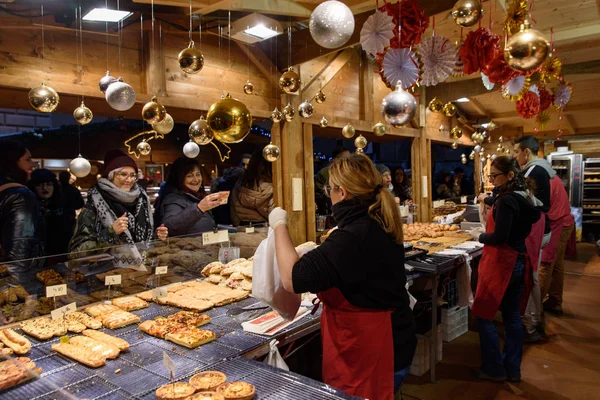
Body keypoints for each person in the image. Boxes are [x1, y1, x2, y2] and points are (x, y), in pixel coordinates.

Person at [268, 154, 416, 399]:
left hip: (371, 349)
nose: (329, 194)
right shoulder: (375, 220)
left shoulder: (353, 235)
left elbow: (292, 279)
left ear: (342, 192)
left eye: (330, 189)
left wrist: (279, 225)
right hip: (389, 338)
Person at [471, 156, 541, 383]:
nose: (491, 180)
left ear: (509, 176)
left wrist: (478, 236)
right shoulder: (524, 197)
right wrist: (491, 201)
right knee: (512, 317)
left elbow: (499, 236)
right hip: (519, 260)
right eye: (489, 176)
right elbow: (509, 209)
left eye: (494, 176)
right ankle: (513, 369)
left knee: (484, 314)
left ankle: (493, 369)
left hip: (501, 263)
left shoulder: (506, 201)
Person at [69, 150, 168, 266]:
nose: (129, 180)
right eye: (123, 174)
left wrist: (157, 236)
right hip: (106, 274)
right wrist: (111, 232)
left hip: (141, 272)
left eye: (132, 175)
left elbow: (142, 241)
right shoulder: (94, 204)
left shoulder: (142, 200)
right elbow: (76, 252)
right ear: (111, 176)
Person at [513, 136, 552, 343]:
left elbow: (526, 201)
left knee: (529, 277)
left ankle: (530, 325)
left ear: (526, 153)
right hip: (540, 228)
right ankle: (535, 321)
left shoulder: (534, 171)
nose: (514, 155)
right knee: (533, 277)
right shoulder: (541, 169)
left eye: (516, 151)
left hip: (535, 229)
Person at [0, 139, 44, 286]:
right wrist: (18, 298)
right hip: (13, 285)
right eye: (27, 159)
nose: (32, 164)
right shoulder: (20, 196)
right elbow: (19, 252)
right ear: (12, 162)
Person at [540, 166, 576, 316]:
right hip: (565, 222)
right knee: (557, 264)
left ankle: (534, 312)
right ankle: (554, 302)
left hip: (557, 225)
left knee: (545, 264)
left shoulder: (541, 178)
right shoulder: (550, 174)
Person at [155, 157, 223, 237]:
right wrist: (199, 208)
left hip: (203, 247)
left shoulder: (199, 196)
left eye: (198, 174)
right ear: (179, 178)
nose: (196, 179)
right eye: (189, 176)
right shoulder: (172, 199)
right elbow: (169, 227)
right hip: (186, 248)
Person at [27, 169, 74, 259]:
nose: (44, 188)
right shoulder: (28, 209)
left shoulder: (62, 207)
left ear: (54, 186)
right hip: (34, 259)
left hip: (59, 257)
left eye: (48, 184)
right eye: (39, 185)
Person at [230, 150, 274, 226]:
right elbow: (273, 216)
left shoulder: (240, 183)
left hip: (243, 228)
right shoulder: (271, 187)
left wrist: (238, 226)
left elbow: (233, 210)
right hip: (264, 230)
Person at [315, 147, 351, 215]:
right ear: (335, 160)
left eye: (349, 159)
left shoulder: (351, 174)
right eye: (345, 159)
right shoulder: (324, 173)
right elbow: (319, 196)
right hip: (329, 212)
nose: (348, 162)